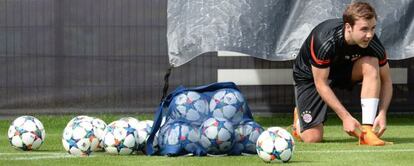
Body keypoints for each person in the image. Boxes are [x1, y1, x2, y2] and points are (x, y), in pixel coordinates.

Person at [292, 2, 392, 146]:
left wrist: (382, 112)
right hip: (311, 77)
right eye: (364, 29)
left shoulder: (373, 44)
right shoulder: (325, 40)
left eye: (373, 28)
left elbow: (387, 81)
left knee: (371, 63)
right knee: (313, 138)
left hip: (344, 70)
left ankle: (367, 132)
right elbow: (321, 83)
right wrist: (345, 117)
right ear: (348, 27)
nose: (369, 35)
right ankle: (299, 121)